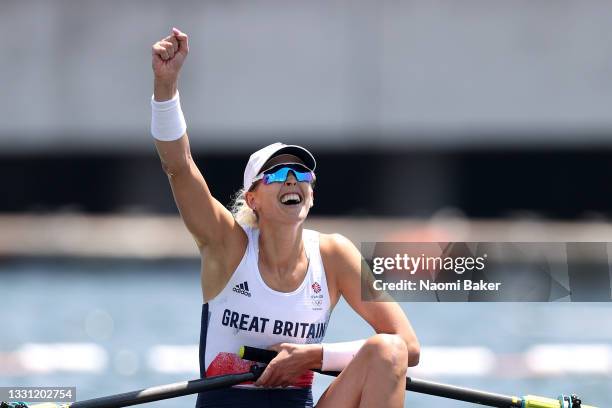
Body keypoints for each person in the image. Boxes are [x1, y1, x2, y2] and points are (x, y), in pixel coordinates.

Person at [150, 28, 420, 408]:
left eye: (301, 173)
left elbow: (408, 347)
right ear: (253, 198)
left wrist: (312, 357)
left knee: (388, 351)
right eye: (277, 174)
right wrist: (166, 87)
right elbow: (177, 166)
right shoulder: (227, 243)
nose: (291, 179)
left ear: (311, 191)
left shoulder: (333, 255)